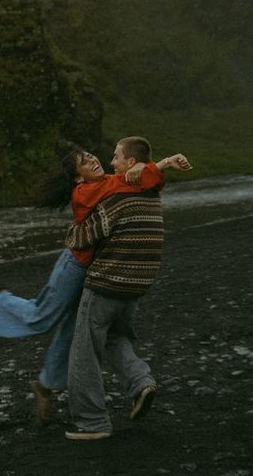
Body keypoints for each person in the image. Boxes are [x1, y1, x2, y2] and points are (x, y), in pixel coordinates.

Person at [0, 139, 191, 423]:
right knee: (43, 318)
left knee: (72, 328)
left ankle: (45, 385)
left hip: (96, 270)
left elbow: (145, 182)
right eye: (85, 162)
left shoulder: (111, 180)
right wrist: (156, 165)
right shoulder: (84, 192)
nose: (93, 161)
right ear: (79, 176)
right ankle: (1, 299)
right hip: (75, 265)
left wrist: (148, 168)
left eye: (91, 156)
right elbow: (127, 183)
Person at [63, 136, 191, 440]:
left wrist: (71, 234)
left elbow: (81, 239)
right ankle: (141, 382)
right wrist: (157, 166)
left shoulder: (113, 196)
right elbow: (134, 180)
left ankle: (92, 422)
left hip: (108, 280)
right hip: (137, 284)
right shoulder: (146, 192)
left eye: (117, 157)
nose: (110, 162)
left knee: (84, 350)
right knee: (114, 337)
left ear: (129, 163)